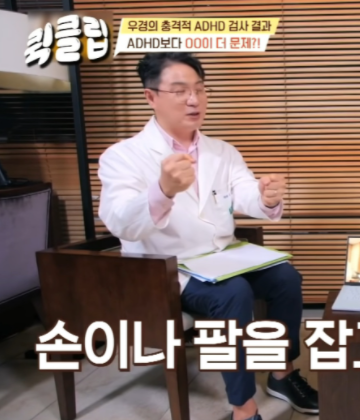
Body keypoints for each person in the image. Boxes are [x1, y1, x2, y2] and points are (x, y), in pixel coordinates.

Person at [97, 52, 318, 420]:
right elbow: (120, 223)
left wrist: (264, 197)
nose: (194, 100)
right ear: (151, 97)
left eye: (200, 89)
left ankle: (282, 373)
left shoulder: (222, 151)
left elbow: (243, 191)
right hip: (167, 269)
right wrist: (162, 191)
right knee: (234, 293)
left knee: (285, 278)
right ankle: (244, 407)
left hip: (221, 259)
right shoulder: (122, 156)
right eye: (180, 90)